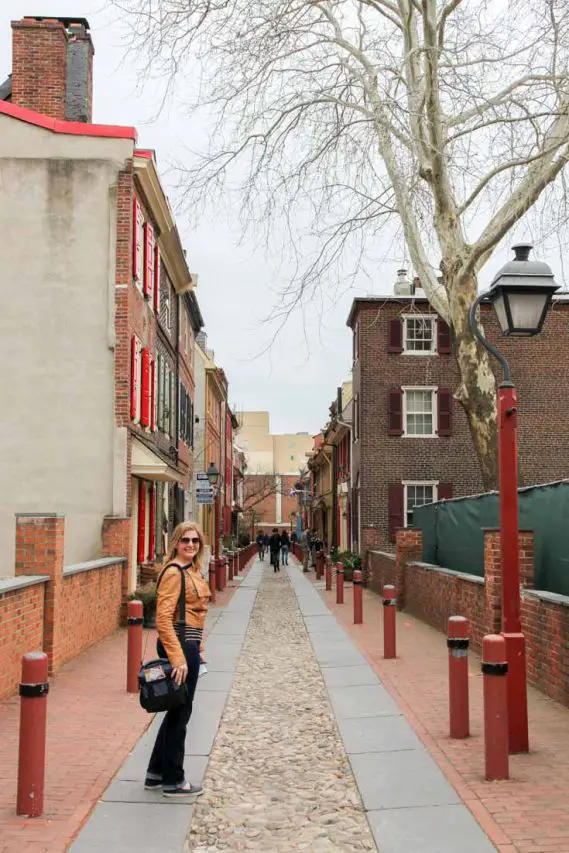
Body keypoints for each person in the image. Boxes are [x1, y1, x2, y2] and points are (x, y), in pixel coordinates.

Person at [145, 521, 210, 798]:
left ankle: (156, 773)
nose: (191, 545)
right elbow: (164, 618)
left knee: (175, 708)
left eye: (195, 541)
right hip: (180, 646)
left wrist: (199, 648)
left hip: (189, 643)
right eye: (185, 541)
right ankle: (174, 780)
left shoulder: (191, 570)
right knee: (181, 713)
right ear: (175, 542)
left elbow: (195, 613)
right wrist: (179, 658)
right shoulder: (174, 572)